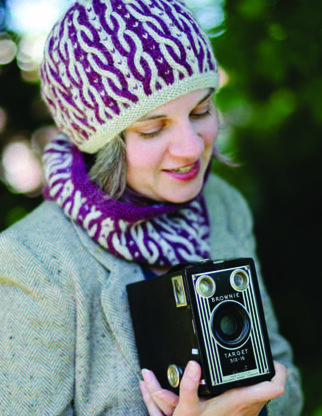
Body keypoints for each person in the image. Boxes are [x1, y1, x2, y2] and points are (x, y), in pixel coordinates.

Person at [0, 0, 303, 415]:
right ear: (101, 144)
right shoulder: (35, 261)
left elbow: (284, 370)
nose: (192, 147)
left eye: (201, 111)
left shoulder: (224, 206)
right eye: (153, 128)